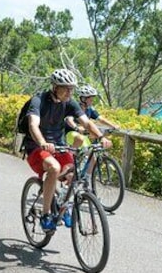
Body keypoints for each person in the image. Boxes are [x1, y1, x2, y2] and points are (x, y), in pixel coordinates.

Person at [24, 69, 112, 233]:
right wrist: (43, 143)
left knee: (73, 174)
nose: (70, 92)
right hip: (36, 147)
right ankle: (45, 215)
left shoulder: (70, 102)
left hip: (59, 145)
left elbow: (86, 123)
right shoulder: (39, 100)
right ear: (55, 87)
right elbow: (33, 125)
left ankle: (63, 207)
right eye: (66, 88)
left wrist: (100, 137)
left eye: (72, 88)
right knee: (54, 168)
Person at [65, 84, 120, 149]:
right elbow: (69, 120)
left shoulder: (90, 109)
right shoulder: (75, 107)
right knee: (80, 140)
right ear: (83, 99)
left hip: (83, 135)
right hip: (70, 133)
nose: (92, 101)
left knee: (91, 155)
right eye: (91, 100)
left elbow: (101, 119)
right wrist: (77, 128)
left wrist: (113, 125)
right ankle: (71, 156)